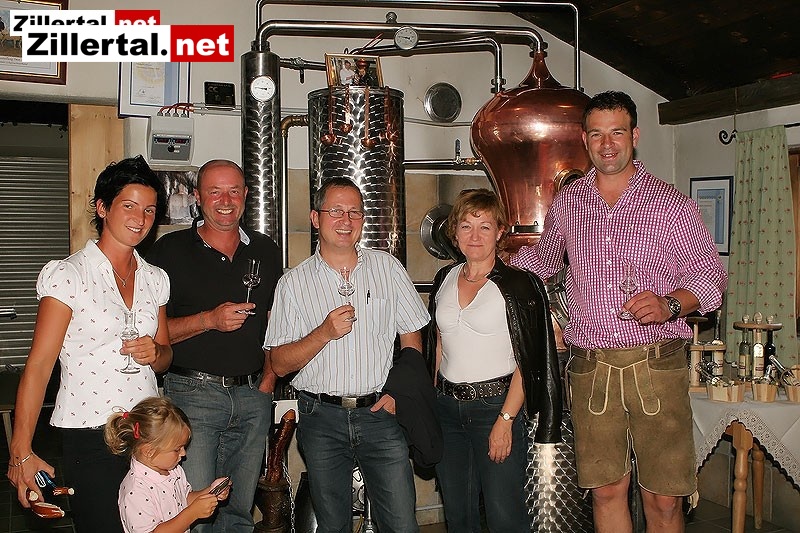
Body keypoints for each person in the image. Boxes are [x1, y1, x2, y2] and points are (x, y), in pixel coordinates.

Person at [511, 90, 728, 532]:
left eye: (617, 132)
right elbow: (544, 261)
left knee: (664, 497)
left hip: (656, 364)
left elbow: (711, 278)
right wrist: (492, 265)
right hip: (591, 367)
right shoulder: (569, 202)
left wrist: (669, 304)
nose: (606, 144)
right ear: (584, 140)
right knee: (606, 491)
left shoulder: (670, 204)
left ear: (635, 136)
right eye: (596, 134)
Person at [7, 155, 173, 532]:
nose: (140, 218)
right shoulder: (68, 275)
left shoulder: (155, 278)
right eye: (128, 206)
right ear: (102, 208)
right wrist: (21, 449)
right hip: (91, 430)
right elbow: (39, 366)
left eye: (149, 210)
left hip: (148, 429)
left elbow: (165, 358)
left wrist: (156, 352)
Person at [264, 177, 430, 533]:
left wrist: (399, 393)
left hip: (380, 413)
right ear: (315, 218)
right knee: (332, 525)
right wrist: (324, 333)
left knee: (402, 523)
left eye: (354, 212)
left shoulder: (388, 268)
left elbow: (412, 337)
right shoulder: (293, 283)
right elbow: (278, 363)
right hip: (321, 418)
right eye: (336, 211)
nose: (346, 220)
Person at [146, 159, 282, 533]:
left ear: (246, 195)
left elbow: (276, 323)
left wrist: (269, 380)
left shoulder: (266, 250)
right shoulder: (168, 251)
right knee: (195, 512)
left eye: (234, 191)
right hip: (193, 395)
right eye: (215, 191)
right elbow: (153, 335)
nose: (225, 200)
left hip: (253, 395)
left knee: (238, 513)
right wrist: (209, 320)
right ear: (197, 197)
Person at [425, 188, 562, 532]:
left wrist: (505, 419)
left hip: (494, 409)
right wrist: (431, 401)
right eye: (466, 226)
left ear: (499, 232)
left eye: (484, 226)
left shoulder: (519, 285)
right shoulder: (443, 279)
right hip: (447, 409)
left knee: (505, 517)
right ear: (454, 233)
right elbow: (438, 344)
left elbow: (528, 360)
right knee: (458, 516)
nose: (475, 236)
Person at [105, 396, 231, 533]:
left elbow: (184, 499)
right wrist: (192, 513)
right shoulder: (135, 490)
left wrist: (210, 492)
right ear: (149, 451)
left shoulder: (173, 470)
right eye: (177, 449)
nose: (183, 453)